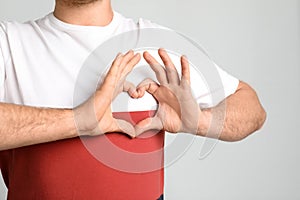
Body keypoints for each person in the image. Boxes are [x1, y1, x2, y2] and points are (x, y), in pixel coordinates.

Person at [0, 0, 266, 199]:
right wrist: (80, 120)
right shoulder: (9, 42)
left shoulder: (156, 45)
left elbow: (252, 109)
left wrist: (199, 121)